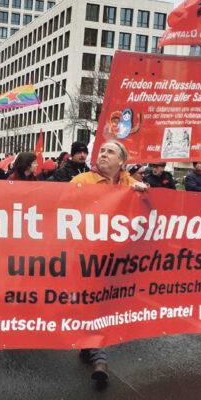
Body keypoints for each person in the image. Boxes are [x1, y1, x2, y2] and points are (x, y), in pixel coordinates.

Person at [69, 141, 147, 385]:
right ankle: (98, 354)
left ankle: (89, 344)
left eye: (110, 152)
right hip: (86, 254)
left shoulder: (129, 184)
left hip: (117, 257)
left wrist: (144, 194)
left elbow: (149, 205)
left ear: (122, 161)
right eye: (101, 151)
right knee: (93, 301)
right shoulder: (81, 182)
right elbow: (63, 208)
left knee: (104, 302)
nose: (103, 154)